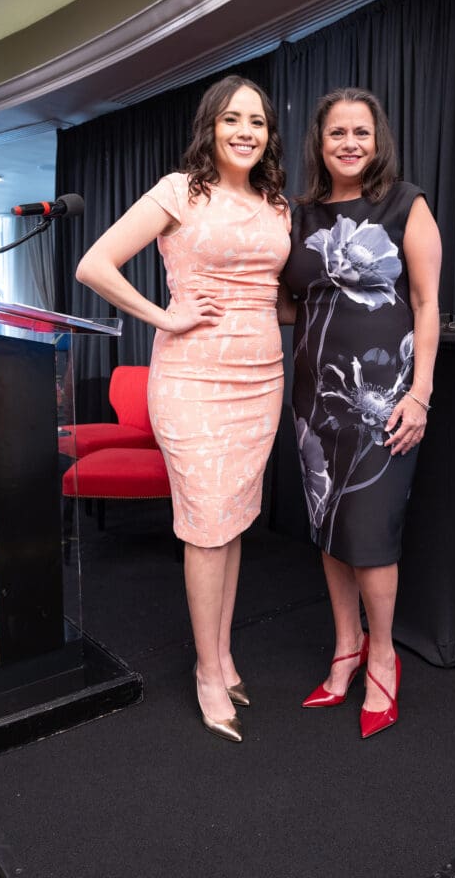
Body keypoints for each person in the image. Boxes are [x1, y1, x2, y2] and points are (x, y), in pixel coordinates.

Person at [76, 75, 291, 743]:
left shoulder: (276, 204)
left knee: (230, 521)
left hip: (261, 375)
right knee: (203, 522)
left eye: (256, 120)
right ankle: (205, 670)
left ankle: (224, 655)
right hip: (193, 377)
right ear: (211, 126)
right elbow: (95, 264)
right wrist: (164, 315)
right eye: (232, 119)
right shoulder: (179, 191)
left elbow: (277, 297)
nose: (246, 131)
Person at [279, 88, 441, 738]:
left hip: (385, 393)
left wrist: (420, 392)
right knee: (329, 525)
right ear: (319, 143)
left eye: (360, 133)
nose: (349, 143)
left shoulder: (406, 203)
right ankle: (344, 647)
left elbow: (426, 304)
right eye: (336, 133)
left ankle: (382, 656)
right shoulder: (300, 215)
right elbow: (293, 304)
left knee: (370, 535)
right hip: (315, 395)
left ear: (377, 140)